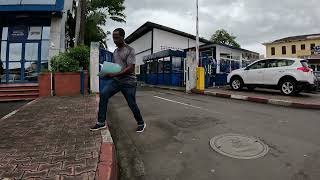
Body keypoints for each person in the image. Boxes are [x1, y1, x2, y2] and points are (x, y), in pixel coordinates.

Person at [90, 28, 146, 133]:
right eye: (113, 38)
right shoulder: (115, 51)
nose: (115, 40)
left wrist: (114, 74)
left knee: (131, 104)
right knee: (104, 94)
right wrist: (107, 72)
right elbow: (116, 66)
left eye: (117, 38)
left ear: (122, 37)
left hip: (129, 82)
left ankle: (141, 123)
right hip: (117, 81)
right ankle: (101, 122)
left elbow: (130, 69)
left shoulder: (130, 50)